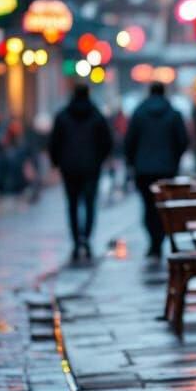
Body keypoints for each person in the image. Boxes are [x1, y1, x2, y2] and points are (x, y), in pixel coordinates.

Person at [124, 82, 189, 258]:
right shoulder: (174, 114)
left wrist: (132, 163)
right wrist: (174, 160)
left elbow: (129, 141)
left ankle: (153, 241)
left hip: (143, 169)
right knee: (163, 207)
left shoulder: (138, 113)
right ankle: (160, 238)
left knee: (148, 206)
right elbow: (182, 141)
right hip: (166, 169)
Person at [49, 85, 113, 262]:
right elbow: (107, 141)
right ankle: (86, 236)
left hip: (69, 167)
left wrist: (56, 162)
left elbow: (54, 142)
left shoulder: (62, 116)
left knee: (72, 204)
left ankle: (76, 239)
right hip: (91, 167)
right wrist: (100, 159)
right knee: (90, 203)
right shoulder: (97, 116)